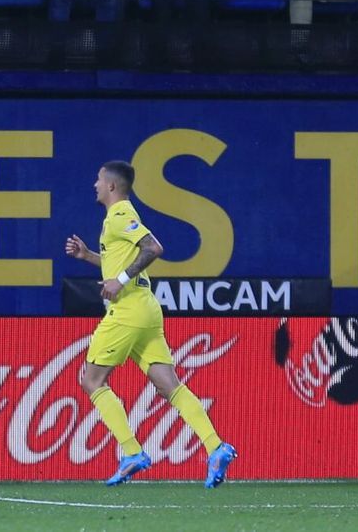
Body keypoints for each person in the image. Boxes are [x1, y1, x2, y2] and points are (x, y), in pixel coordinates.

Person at [65, 160, 238, 488]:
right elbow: (123, 260)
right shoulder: (116, 219)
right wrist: (89, 256)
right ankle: (216, 447)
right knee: (168, 385)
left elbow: (154, 248)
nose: (95, 185)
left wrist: (119, 279)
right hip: (146, 309)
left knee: (91, 380)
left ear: (112, 186)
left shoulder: (120, 215)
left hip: (128, 311)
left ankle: (131, 452)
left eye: (99, 180)